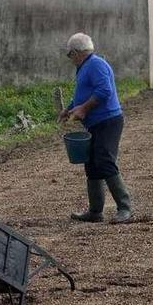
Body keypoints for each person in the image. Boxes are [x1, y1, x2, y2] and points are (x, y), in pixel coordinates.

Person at [57, 33, 133, 224]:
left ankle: (125, 208)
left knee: (105, 160)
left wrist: (83, 109)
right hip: (96, 123)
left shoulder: (95, 65)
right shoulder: (85, 67)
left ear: (76, 52)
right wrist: (69, 109)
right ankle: (95, 211)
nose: (70, 59)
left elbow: (104, 91)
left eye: (69, 55)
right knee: (91, 163)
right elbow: (83, 93)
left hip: (108, 121)